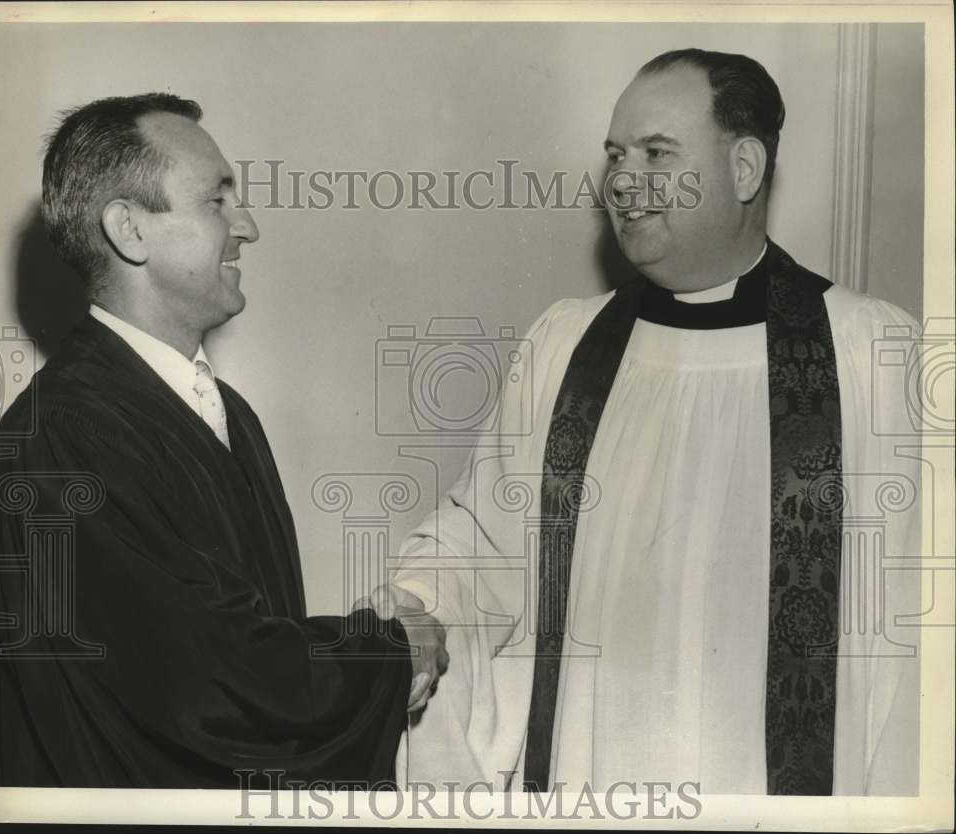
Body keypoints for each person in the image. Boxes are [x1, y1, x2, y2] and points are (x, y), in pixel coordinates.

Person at [366, 49, 922, 795]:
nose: (624, 181)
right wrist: (418, 608)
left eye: (658, 153)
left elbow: (925, 624)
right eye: (616, 155)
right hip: (590, 781)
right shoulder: (565, 344)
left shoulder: (873, 354)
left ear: (746, 169)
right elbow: (486, 539)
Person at [0, 93, 447, 789]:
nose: (248, 225)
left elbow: (234, 639)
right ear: (130, 230)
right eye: (217, 200)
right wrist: (391, 652)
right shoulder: (62, 437)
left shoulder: (225, 412)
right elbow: (210, 685)